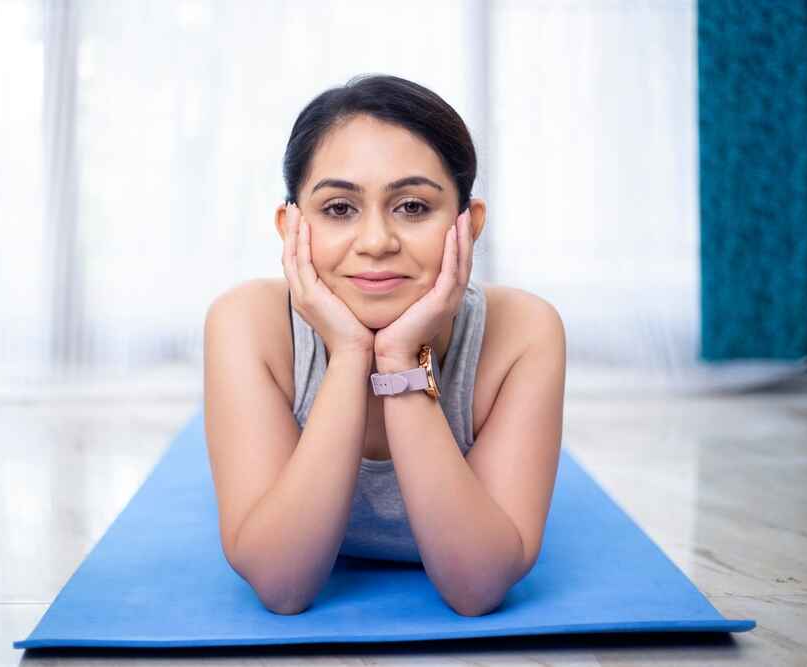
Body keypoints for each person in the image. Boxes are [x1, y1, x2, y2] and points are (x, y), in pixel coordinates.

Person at [203, 74, 565, 617]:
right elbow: (282, 586)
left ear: (469, 224)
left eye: (413, 207)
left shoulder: (525, 332)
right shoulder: (246, 324)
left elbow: (477, 588)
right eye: (339, 209)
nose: (376, 243)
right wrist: (350, 355)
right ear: (290, 227)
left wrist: (398, 359)